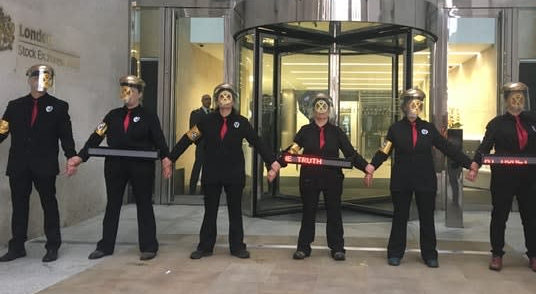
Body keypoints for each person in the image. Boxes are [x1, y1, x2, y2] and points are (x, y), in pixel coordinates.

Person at [467, 82, 536, 273]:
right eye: (514, 97)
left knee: (530, 218)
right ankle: (497, 254)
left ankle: (534, 256)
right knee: (499, 216)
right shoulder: (496, 124)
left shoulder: (532, 122)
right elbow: (484, 147)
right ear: (506, 100)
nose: (518, 101)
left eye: (521, 97)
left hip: (528, 178)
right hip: (503, 178)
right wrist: (474, 166)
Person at [367, 88, 478, 267]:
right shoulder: (395, 129)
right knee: (399, 217)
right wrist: (371, 167)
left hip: (425, 181)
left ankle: (429, 254)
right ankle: (395, 253)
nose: (413, 108)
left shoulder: (428, 128)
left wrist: (469, 163)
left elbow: (447, 148)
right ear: (403, 106)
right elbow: (384, 150)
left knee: (427, 218)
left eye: (417, 104)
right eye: (410, 104)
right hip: (402, 181)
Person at [66, 75, 172, 261]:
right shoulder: (112, 115)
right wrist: (80, 157)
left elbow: (159, 140)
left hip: (141, 167)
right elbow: (96, 137)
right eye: (124, 90)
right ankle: (105, 246)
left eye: (131, 91)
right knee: (113, 205)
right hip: (115, 165)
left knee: (144, 205)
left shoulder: (148, 116)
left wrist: (166, 159)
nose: (127, 94)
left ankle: (148, 246)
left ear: (139, 94)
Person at [170, 83, 281, 260]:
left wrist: (272, 162)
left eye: (228, 96)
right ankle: (205, 247)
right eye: (221, 96)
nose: (225, 100)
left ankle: (237, 247)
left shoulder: (242, 122)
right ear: (216, 100)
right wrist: (171, 157)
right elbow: (188, 138)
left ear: (233, 100)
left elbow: (257, 141)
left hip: (234, 173)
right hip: (212, 173)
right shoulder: (206, 121)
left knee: (235, 211)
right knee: (210, 211)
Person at [275, 93, 370, 261]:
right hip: (309, 179)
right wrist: (277, 164)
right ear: (313, 110)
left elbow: (350, 153)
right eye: (317, 107)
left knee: (334, 213)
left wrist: (366, 167)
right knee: (308, 213)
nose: (321, 111)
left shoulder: (337, 132)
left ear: (329, 110)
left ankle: (337, 248)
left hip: (332, 179)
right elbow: (293, 150)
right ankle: (303, 248)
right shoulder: (305, 131)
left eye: (324, 107)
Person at [0, 65, 76, 263]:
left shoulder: (59, 106)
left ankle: (52, 246)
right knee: (19, 205)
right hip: (19, 165)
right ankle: (17, 247)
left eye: (45, 77)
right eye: (36, 77)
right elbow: (2, 130)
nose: (40, 81)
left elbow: (66, 136)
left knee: (49, 204)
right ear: (29, 80)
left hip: (45, 164)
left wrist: (72, 157)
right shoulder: (14, 106)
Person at [188, 94, 212, 196]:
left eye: (209, 99)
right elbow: (192, 129)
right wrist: (198, 142)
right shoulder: (196, 113)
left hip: (212, 146)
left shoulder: (214, 113)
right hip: (201, 144)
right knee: (198, 166)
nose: (208, 101)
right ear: (202, 101)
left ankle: (204, 190)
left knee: (208, 168)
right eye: (206, 99)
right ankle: (192, 190)